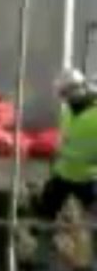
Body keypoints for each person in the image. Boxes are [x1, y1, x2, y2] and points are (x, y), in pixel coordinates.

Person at [34, 68, 97, 235]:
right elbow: (64, 140)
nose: (65, 99)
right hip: (63, 174)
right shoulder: (68, 111)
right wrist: (55, 159)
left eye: (66, 93)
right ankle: (39, 252)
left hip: (89, 178)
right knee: (44, 213)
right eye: (62, 94)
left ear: (79, 88)